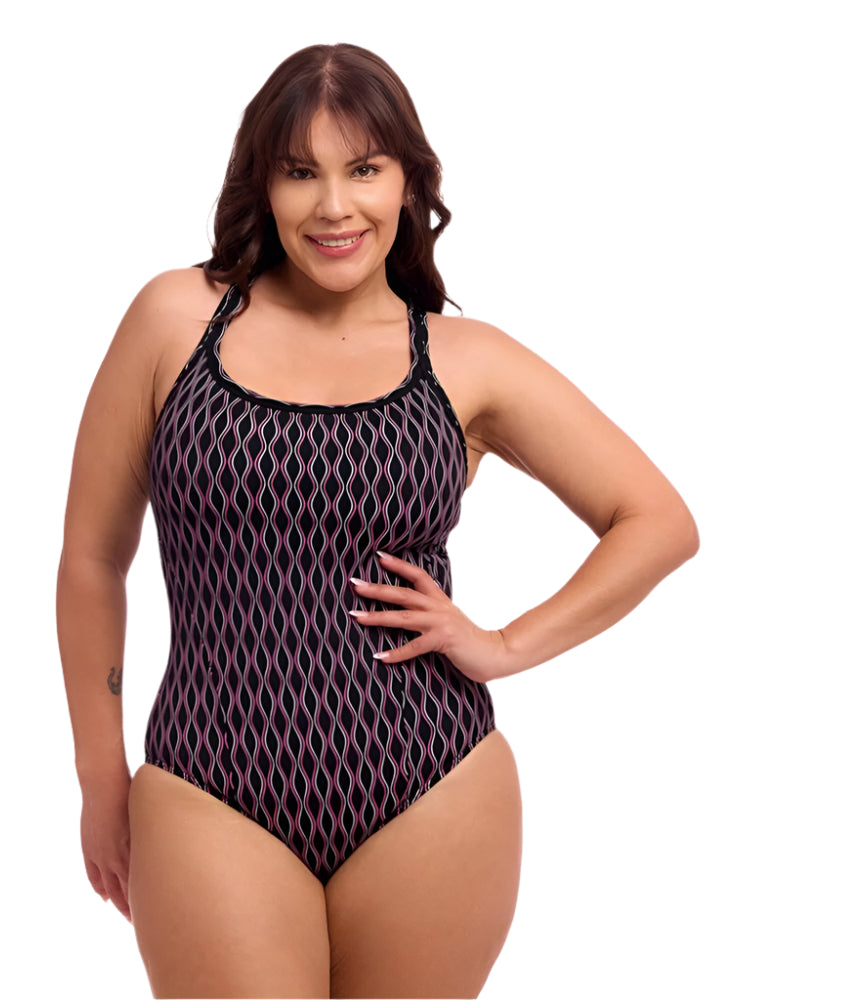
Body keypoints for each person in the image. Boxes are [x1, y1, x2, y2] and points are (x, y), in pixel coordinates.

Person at [56, 42, 699, 999]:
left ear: (408, 182)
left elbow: (657, 520)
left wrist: (504, 644)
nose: (333, 207)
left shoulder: (467, 359)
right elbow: (91, 560)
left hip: (431, 785)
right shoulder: (173, 321)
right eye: (300, 173)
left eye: (364, 170)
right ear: (262, 184)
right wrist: (99, 779)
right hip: (207, 784)